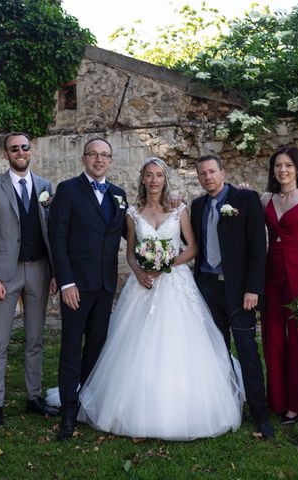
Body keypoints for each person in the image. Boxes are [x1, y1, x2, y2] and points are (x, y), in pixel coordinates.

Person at [77, 158, 244, 440]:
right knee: (134, 343)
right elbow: (130, 251)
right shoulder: (132, 213)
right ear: (142, 179)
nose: (154, 180)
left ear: (165, 180)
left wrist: (167, 264)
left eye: (158, 176)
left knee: (180, 342)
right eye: (149, 176)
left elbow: (192, 248)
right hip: (143, 284)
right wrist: (139, 269)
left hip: (175, 282)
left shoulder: (179, 209)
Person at [48, 138, 128, 441]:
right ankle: (68, 410)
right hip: (77, 286)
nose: (99, 160)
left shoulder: (119, 195)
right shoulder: (68, 190)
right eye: (93, 155)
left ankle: (88, 402)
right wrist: (66, 281)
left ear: (110, 160)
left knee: (96, 347)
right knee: (71, 347)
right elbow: (58, 238)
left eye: (105, 155)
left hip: (106, 285)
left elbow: (128, 233)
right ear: (84, 158)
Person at [191, 154, 275, 439]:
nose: (207, 177)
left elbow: (257, 248)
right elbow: (192, 244)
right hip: (207, 287)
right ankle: (225, 404)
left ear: (223, 172)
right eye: (202, 173)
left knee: (247, 351)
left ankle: (260, 414)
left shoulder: (245, 200)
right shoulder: (197, 206)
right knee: (216, 351)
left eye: (212, 171)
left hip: (239, 291)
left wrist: (254, 288)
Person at [0, 132, 58, 429]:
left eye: (25, 147)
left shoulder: (45, 187)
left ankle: (33, 397)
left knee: (35, 340)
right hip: (5, 274)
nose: (20, 152)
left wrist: (54, 273)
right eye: (14, 149)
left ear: (30, 151)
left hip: (39, 270)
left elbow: (51, 233)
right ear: (6, 154)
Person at [260, 145, 298, 425]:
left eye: (287, 165)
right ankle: (276, 401)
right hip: (271, 274)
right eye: (277, 166)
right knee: (273, 337)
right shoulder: (265, 199)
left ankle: (296, 406)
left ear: (297, 168)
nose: (282, 170)